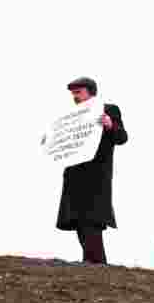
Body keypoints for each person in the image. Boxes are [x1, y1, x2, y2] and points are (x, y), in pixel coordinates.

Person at [55, 77, 128, 265]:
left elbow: (122, 137)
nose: (75, 97)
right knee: (78, 220)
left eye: (78, 92)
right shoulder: (70, 116)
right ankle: (92, 262)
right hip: (74, 176)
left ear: (90, 92)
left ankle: (95, 263)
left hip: (96, 176)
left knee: (91, 219)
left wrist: (110, 125)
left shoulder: (108, 109)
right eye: (73, 94)